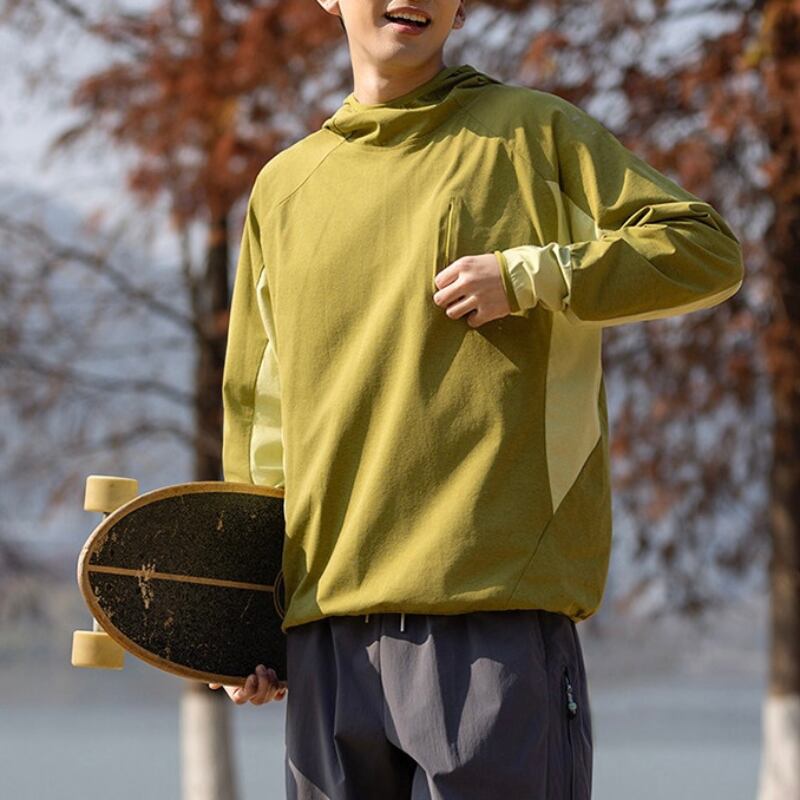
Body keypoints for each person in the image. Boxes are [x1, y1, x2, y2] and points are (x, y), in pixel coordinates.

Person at [213, 1, 745, 798]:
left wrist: (536, 275)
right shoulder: (284, 188)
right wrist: (246, 623)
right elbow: (261, 422)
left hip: (493, 620)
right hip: (328, 639)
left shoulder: (534, 134)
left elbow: (704, 249)